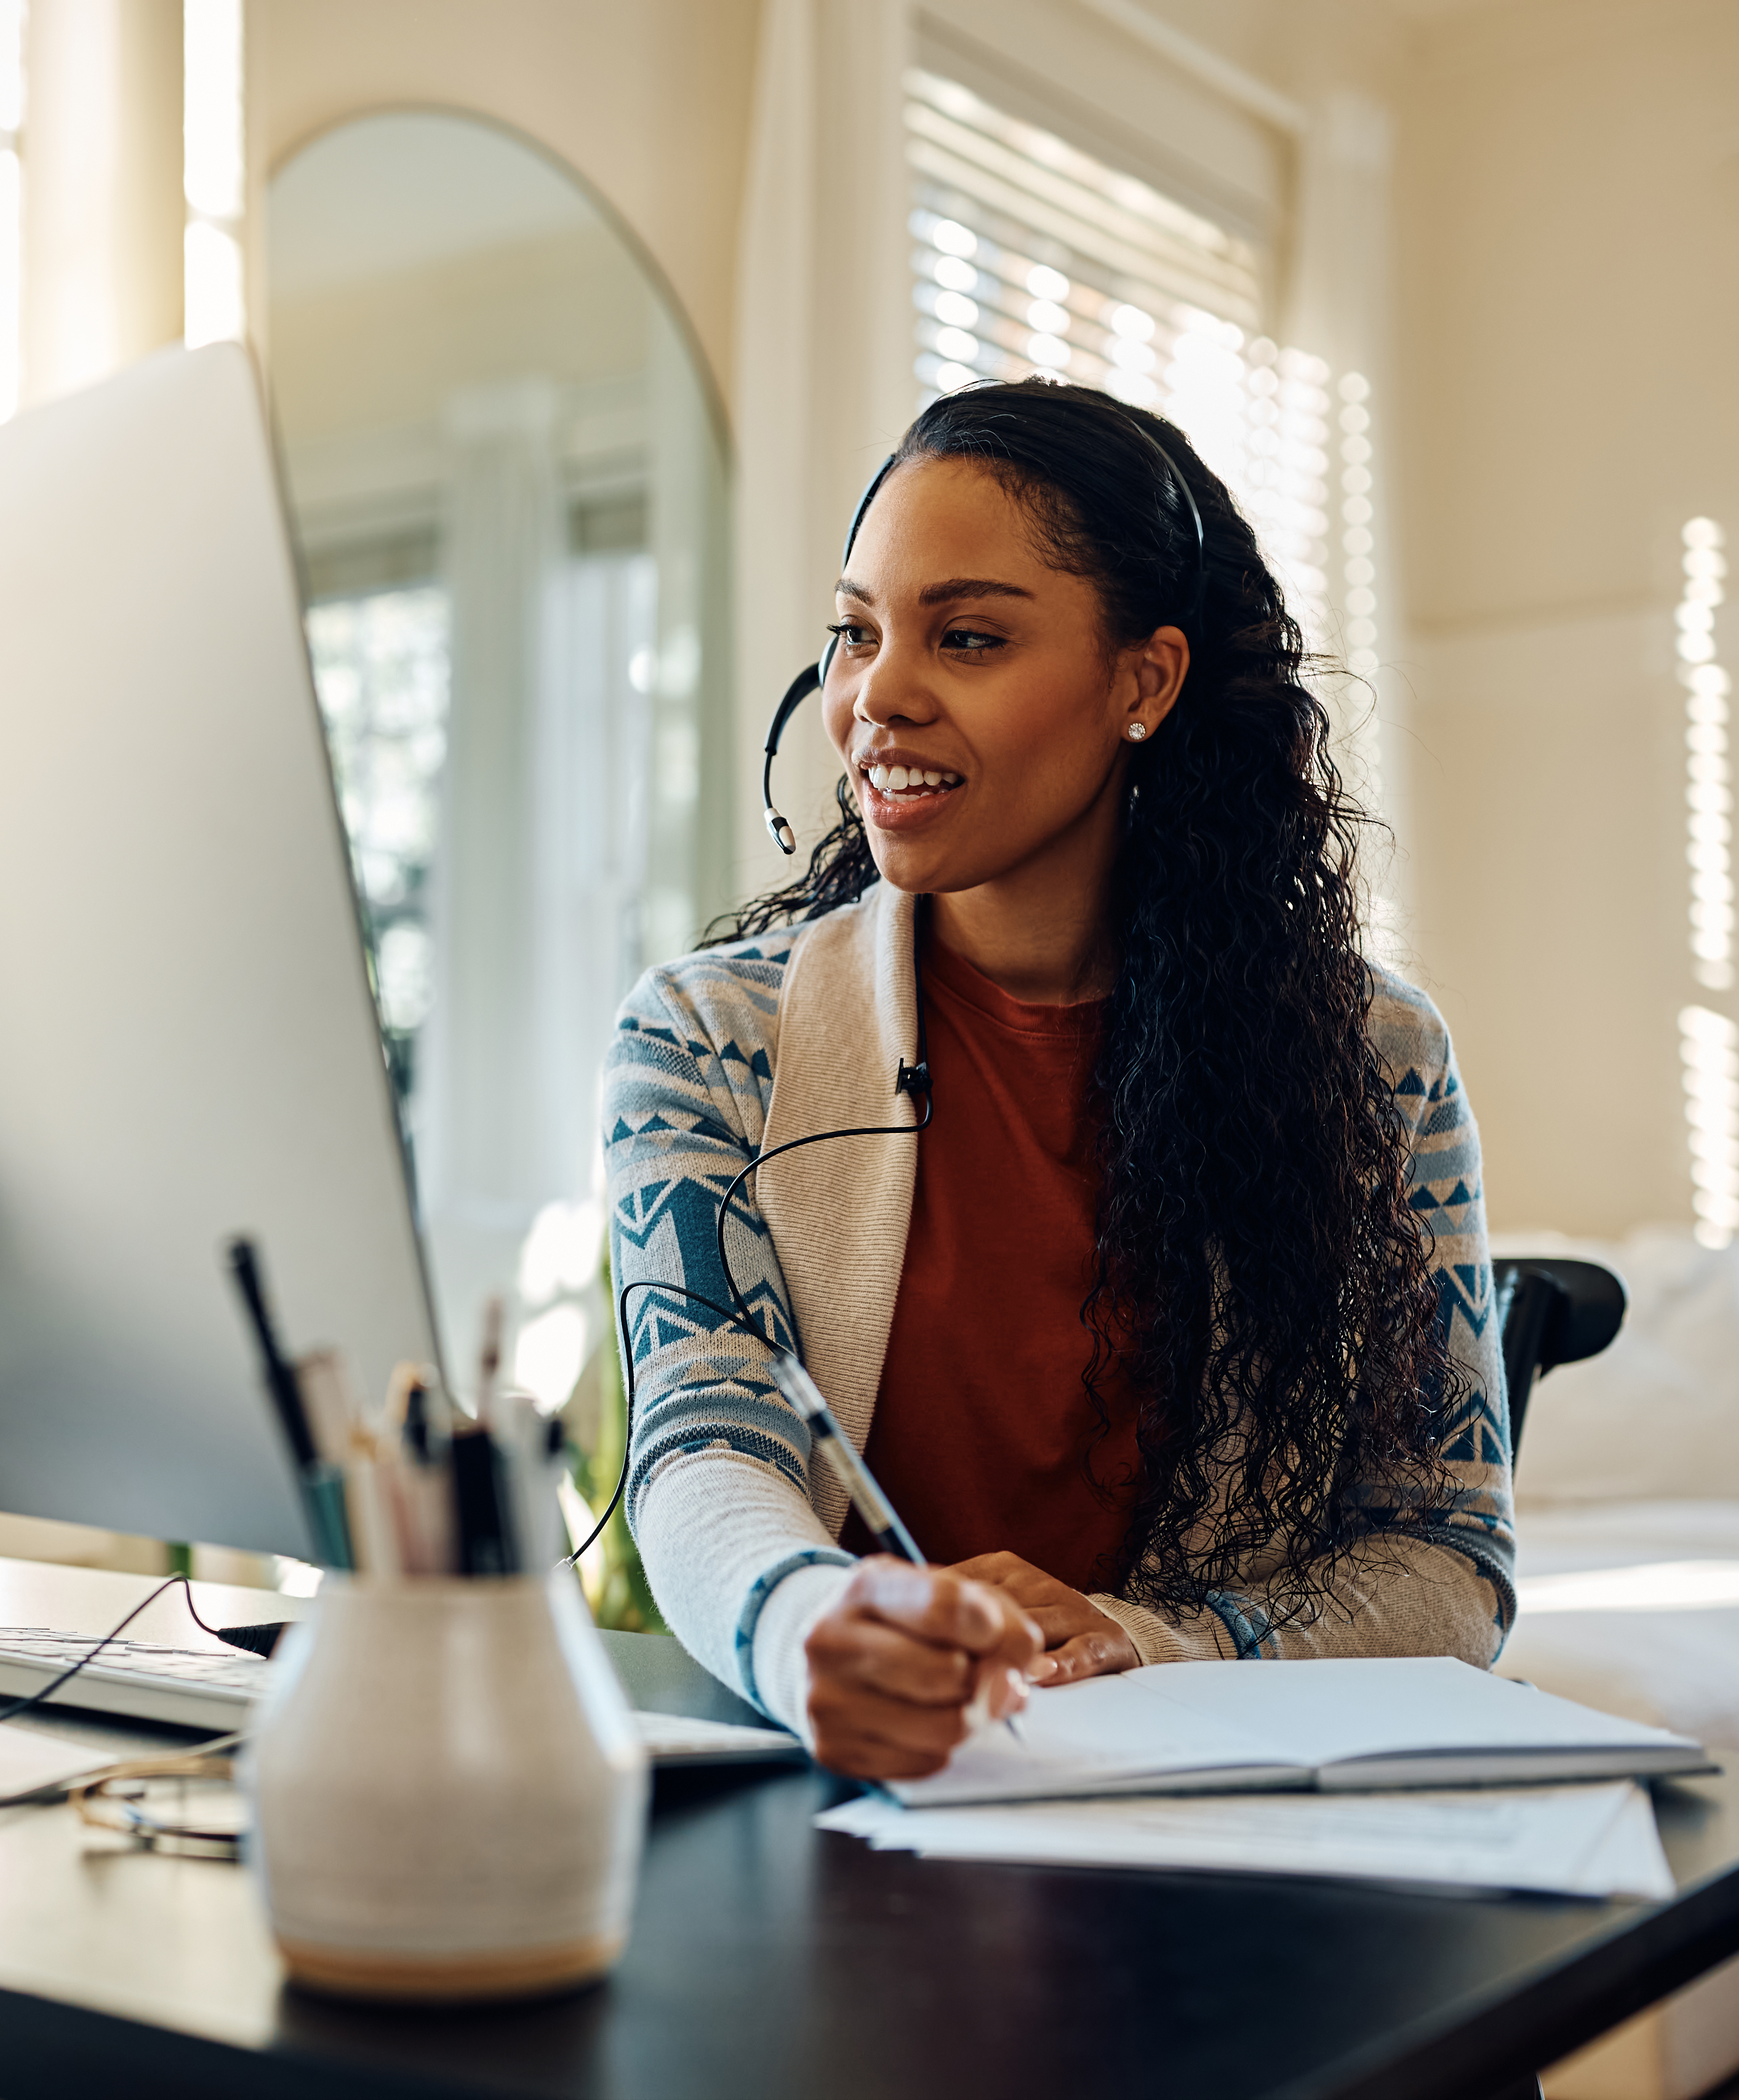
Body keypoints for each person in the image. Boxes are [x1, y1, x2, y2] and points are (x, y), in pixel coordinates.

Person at [602, 379, 1510, 1782]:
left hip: (1217, 1813)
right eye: (855, 635)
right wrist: (811, 1626)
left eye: (965, 638)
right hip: (859, 1792)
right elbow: (703, 1442)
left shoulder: (1373, 1060)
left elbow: (1452, 1560)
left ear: (1142, 682)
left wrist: (1153, 1638)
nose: (876, 699)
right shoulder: (710, 1040)